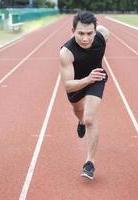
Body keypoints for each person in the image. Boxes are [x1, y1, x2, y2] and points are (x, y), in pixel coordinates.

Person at [59, 11, 110, 180]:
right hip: (76, 85)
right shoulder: (66, 53)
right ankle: (79, 121)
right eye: (80, 33)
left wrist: (92, 78)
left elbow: (104, 34)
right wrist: (86, 79)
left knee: (90, 118)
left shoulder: (102, 35)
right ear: (72, 31)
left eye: (90, 33)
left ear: (95, 31)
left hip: (96, 78)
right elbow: (67, 86)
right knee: (79, 112)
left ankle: (90, 163)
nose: (85, 39)